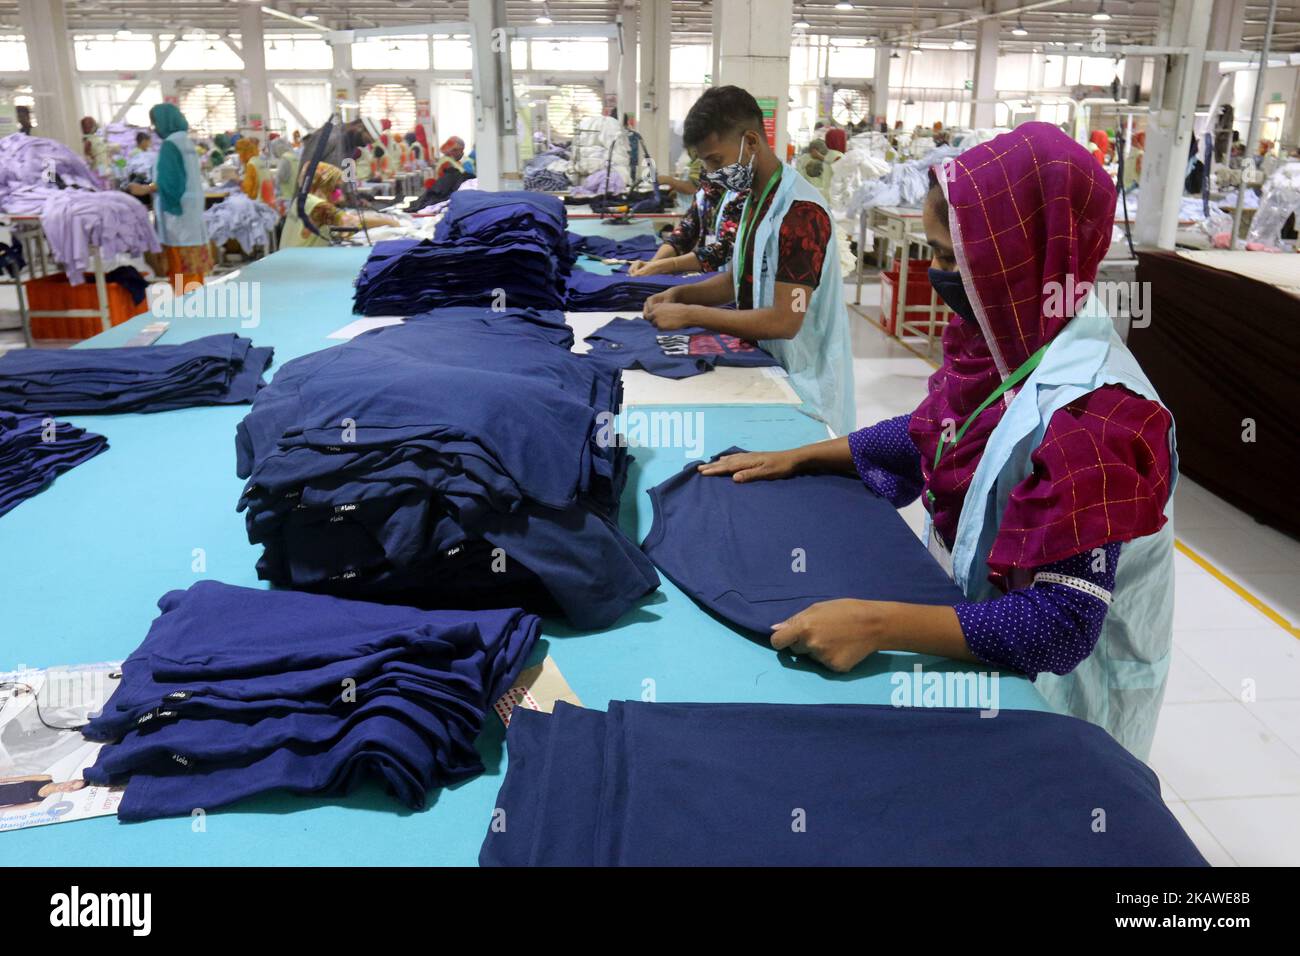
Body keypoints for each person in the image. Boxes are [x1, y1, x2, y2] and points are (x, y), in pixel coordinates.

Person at [699, 124, 1176, 759]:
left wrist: (876, 623)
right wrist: (807, 455)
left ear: (1022, 256)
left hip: (1061, 695)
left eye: (954, 259)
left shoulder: (1099, 417)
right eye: (933, 252)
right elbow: (933, 432)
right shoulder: (1005, 346)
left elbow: (1060, 624)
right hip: (981, 633)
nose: (936, 274)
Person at [643, 86, 854, 436]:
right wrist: (680, 296)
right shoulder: (755, 199)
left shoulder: (801, 213)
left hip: (806, 382)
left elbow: (785, 321)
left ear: (751, 141)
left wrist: (690, 314)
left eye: (715, 161)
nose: (711, 174)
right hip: (769, 368)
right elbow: (738, 280)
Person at [148, 103, 212, 287]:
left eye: (155, 123)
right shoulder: (185, 141)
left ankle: (186, 313)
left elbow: (169, 184)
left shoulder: (170, 145)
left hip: (178, 216)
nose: (155, 128)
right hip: (191, 214)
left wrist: (147, 188)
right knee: (193, 272)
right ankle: (197, 310)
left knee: (181, 273)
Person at [629, 178, 746, 277]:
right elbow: (686, 229)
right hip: (713, 278)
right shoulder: (707, 189)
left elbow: (725, 248)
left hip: (737, 282)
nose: (708, 168)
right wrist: (653, 263)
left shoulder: (745, 193)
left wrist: (667, 265)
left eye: (716, 159)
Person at [279, 161, 398, 248]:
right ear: (324, 184)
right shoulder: (317, 206)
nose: (338, 193)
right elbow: (352, 222)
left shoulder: (302, 200)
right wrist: (390, 221)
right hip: (301, 268)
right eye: (334, 187)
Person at [237, 136, 275, 205]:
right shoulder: (259, 161)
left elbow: (248, 191)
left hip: (259, 204)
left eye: (239, 153)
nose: (239, 157)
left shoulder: (251, 165)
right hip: (269, 201)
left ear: (244, 153)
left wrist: (241, 185)